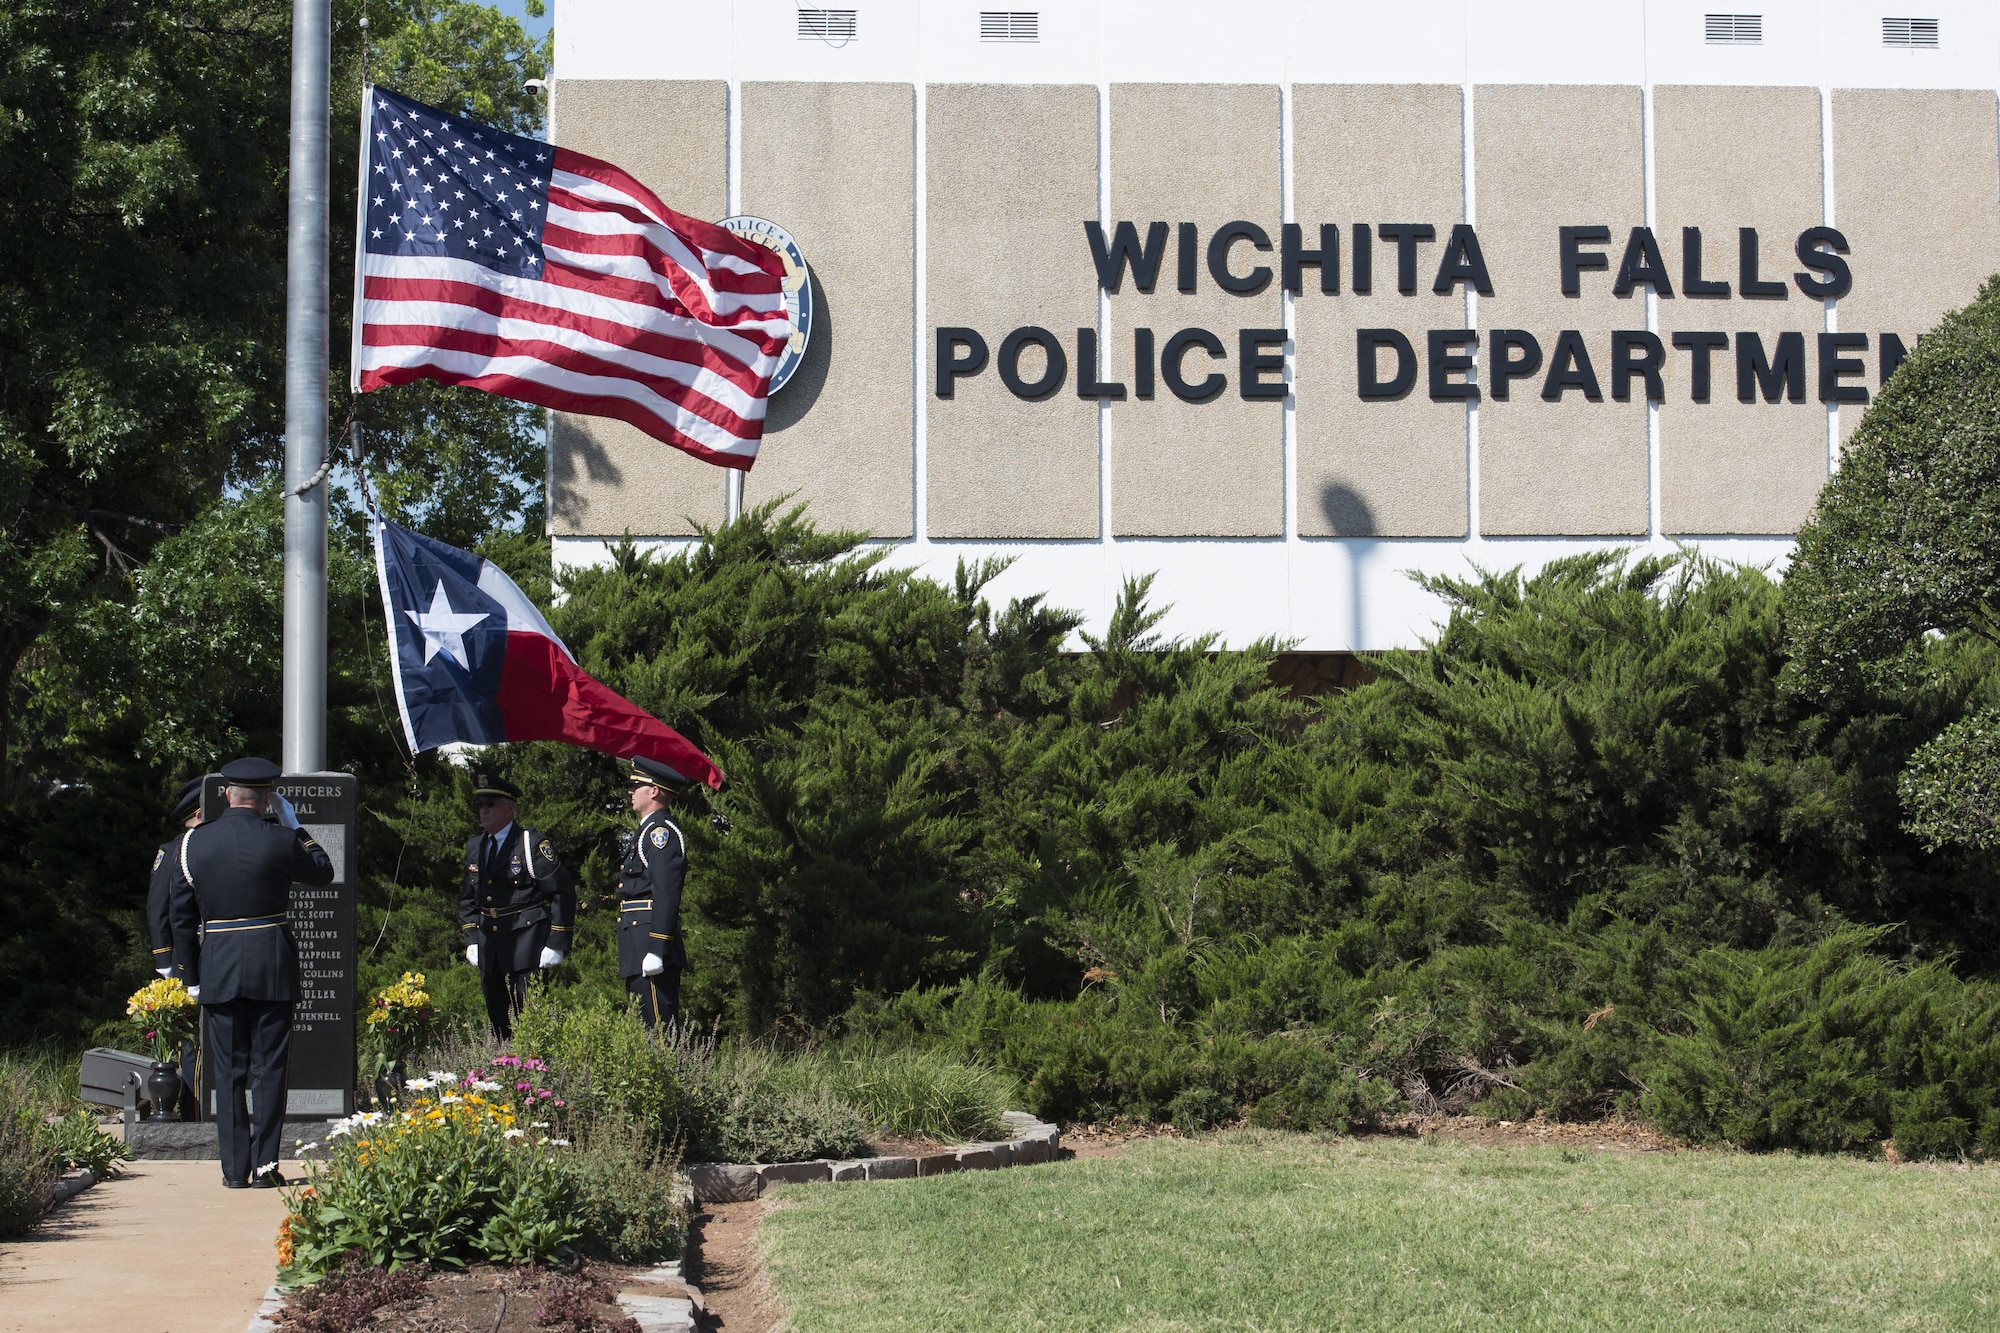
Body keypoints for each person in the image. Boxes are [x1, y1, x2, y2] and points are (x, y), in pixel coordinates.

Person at [167, 757, 333, 1189]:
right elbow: (323, 872)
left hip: (218, 966)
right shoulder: (280, 840)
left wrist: (190, 976)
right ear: (267, 798)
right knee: (270, 1069)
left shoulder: (193, 844)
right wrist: (296, 826)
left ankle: (233, 1169)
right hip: (271, 964)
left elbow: (181, 917)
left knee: (228, 1071)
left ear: (226, 794)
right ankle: (265, 1168)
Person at [459, 773, 573, 1040]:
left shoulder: (530, 844)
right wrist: (471, 938)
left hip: (526, 941)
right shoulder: (476, 845)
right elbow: (468, 898)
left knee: (530, 1022)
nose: (483, 810)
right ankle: (505, 1074)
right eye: (480, 805)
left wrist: (556, 943)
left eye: (490, 804)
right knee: (499, 1023)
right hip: (490, 945)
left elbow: (562, 892)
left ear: (509, 808)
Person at [146, 775, 204, 1118]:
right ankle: (193, 1106)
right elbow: (159, 909)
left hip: (218, 949)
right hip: (188, 955)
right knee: (191, 1041)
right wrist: (165, 960)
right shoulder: (172, 851)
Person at [620, 756, 691, 1029]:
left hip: (649, 941)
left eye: (637, 785)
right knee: (645, 1029)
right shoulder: (645, 831)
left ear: (654, 791)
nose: (631, 791)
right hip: (638, 941)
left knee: (659, 1033)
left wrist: (657, 948)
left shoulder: (659, 833)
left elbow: (666, 892)